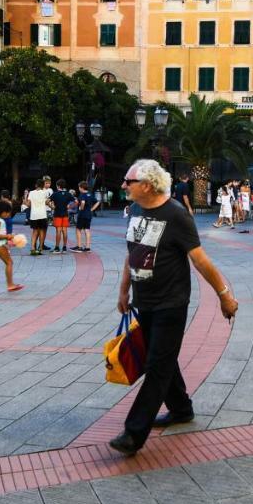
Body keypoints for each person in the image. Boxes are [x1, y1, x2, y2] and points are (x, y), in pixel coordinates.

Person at [110, 159, 238, 457]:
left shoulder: (176, 215)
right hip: (145, 301)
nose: (123, 186)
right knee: (162, 357)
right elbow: (132, 253)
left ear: (147, 185)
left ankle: (133, 433)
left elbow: (201, 260)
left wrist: (224, 295)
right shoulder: (137, 210)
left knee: (156, 366)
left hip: (171, 302)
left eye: (128, 181)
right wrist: (123, 289)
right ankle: (181, 409)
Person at [25, 177, 53, 255]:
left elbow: (28, 204)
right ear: (43, 185)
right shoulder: (45, 193)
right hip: (42, 214)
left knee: (34, 232)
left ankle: (33, 248)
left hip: (33, 215)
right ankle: (40, 248)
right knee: (41, 231)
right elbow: (47, 202)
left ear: (36, 185)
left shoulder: (31, 193)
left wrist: (25, 200)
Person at [75, 181, 99, 251]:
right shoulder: (90, 194)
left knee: (78, 229)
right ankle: (87, 247)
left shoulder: (82, 195)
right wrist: (92, 209)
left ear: (81, 188)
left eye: (79, 187)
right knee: (87, 230)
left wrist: (81, 208)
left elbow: (82, 202)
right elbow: (97, 202)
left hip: (82, 215)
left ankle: (79, 246)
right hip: (89, 214)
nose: (78, 188)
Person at [51, 179, 74, 253]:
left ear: (58, 186)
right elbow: (76, 202)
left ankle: (57, 247)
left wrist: (52, 207)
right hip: (65, 214)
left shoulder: (55, 194)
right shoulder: (68, 194)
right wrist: (69, 206)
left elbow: (47, 201)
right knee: (65, 231)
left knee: (58, 231)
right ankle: (64, 247)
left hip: (57, 214)